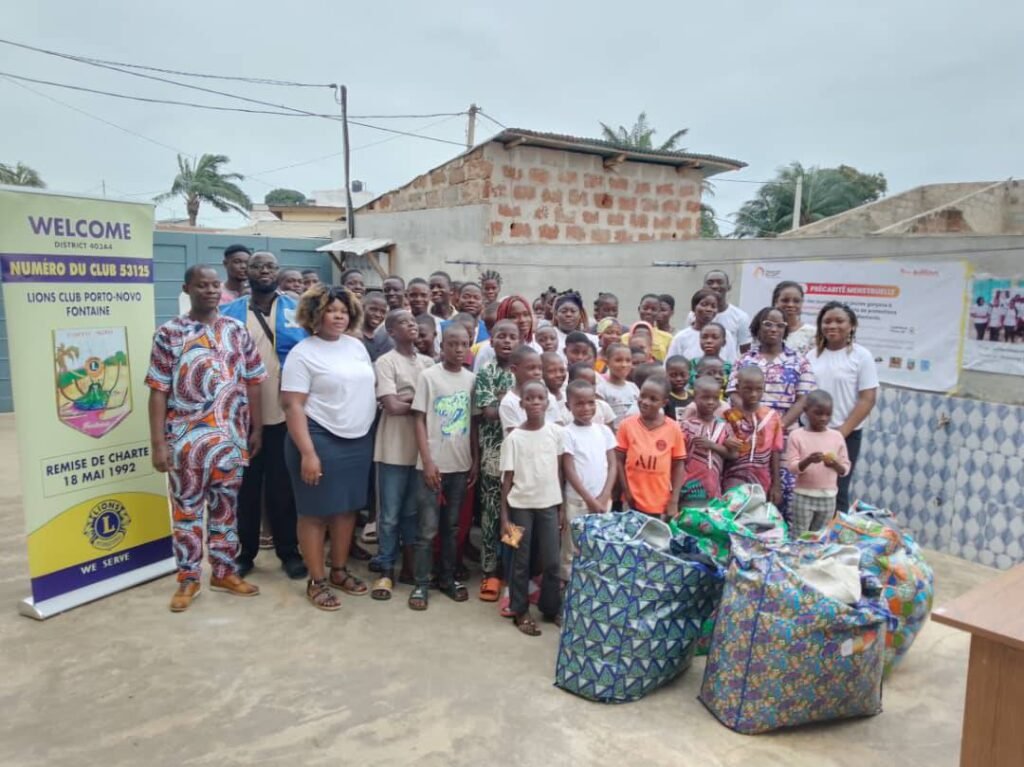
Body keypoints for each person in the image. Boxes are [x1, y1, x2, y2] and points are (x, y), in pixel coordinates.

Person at [146, 264, 265, 612]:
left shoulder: (237, 330)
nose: (211, 290)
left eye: (215, 285)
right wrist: (158, 443)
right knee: (186, 513)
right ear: (188, 288)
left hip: (230, 439)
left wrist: (255, 428)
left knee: (226, 510)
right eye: (202, 285)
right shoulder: (169, 333)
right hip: (185, 442)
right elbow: (157, 391)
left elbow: (254, 380)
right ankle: (188, 578)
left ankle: (224, 571)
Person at [281, 286, 376, 611]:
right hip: (319, 438)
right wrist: (308, 452)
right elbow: (292, 406)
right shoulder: (303, 353)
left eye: (344, 311)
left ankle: (338, 570)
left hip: (357, 439)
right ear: (314, 314)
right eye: (331, 310)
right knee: (314, 513)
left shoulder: (356, 346)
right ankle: (317, 580)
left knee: (346, 509)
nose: (339, 316)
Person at [221, 251, 307, 581]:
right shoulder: (229, 312)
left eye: (270, 266)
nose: (264, 271)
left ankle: (289, 552)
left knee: (283, 489)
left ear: (277, 271)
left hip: (286, 415)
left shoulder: (296, 309)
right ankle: (246, 553)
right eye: (257, 266)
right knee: (246, 489)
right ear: (248, 272)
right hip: (243, 416)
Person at [408, 324, 477, 611]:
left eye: (464, 344)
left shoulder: (472, 380)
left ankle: (447, 579)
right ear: (442, 345)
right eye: (452, 344)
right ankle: (421, 583)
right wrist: (427, 461)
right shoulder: (429, 377)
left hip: (460, 465)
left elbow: (472, 424)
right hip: (433, 464)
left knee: (451, 526)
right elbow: (419, 420)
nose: (458, 349)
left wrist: (474, 459)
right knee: (427, 528)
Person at [371, 309, 435, 600]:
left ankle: (409, 565)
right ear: (392, 332)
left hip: (422, 450)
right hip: (393, 447)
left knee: (412, 512)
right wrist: (417, 400)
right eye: (403, 323)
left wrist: (406, 398)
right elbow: (391, 406)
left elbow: (430, 404)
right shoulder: (385, 362)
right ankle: (386, 568)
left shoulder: (428, 362)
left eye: (414, 322)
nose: (411, 325)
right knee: (389, 514)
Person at [499, 380, 565, 637]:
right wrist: (505, 519)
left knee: (551, 561)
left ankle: (550, 607)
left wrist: (561, 509)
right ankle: (520, 609)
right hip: (518, 509)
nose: (535, 403)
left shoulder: (556, 433)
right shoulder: (514, 438)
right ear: (522, 403)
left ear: (548, 403)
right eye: (530, 399)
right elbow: (506, 482)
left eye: (540, 398)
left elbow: (559, 472)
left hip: (548, 505)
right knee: (519, 560)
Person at [806, 302, 879, 513]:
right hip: (811, 433)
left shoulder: (861, 356)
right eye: (827, 321)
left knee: (837, 489)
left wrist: (840, 433)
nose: (832, 325)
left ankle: (835, 539)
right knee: (809, 487)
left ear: (852, 325)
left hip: (845, 434)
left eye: (839, 321)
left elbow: (867, 399)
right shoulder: (811, 356)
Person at [473, 320, 519, 601]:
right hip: (493, 455)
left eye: (512, 337)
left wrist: (504, 401)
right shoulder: (486, 373)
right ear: (491, 341)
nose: (506, 341)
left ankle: (510, 567)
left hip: (520, 458)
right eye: (501, 336)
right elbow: (489, 413)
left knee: (514, 514)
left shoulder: (525, 373)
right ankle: (491, 570)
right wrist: (511, 401)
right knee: (491, 516)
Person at [560, 380, 616, 580]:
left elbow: (612, 465)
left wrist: (605, 495)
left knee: (598, 545)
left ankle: (591, 588)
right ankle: (569, 588)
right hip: (577, 502)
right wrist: (590, 500)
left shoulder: (604, 431)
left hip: (603, 501)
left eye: (591, 402)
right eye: (579, 404)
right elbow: (569, 469)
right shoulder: (567, 433)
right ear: (568, 407)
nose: (586, 408)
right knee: (572, 549)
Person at [728, 307, 815, 431]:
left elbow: (804, 399)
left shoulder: (800, 362)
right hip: (747, 432)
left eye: (780, 325)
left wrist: (778, 427)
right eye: (768, 324)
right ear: (758, 327)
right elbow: (733, 393)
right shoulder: (743, 361)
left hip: (784, 435)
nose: (774, 329)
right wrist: (754, 421)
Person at [615, 376, 686, 518]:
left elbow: (678, 465)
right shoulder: (627, 425)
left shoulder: (673, 428)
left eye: (653, 399)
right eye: (643, 396)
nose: (645, 402)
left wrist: (674, 500)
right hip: (632, 500)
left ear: (664, 403)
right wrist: (627, 492)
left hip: (659, 502)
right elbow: (618, 461)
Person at [783, 389, 851, 534]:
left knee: (819, 536)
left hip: (828, 497)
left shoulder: (836, 437)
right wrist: (807, 461)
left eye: (828, 414)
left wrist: (835, 464)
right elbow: (792, 467)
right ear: (806, 411)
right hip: (803, 496)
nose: (823, 418)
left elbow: (845, 468)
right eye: (818, 413)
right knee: (800, 535)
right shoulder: (797, 436)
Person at [721, 366, 784, 504]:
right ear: (738, 388)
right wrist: (726, 443)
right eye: (748, 389)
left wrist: (776, 485)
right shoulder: (728, 416)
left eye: (758, 389)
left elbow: (775, 451)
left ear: (764, 388)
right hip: (732, 479)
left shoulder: (772, 417)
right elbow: (720, 444)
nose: (753, 394)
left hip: (762, 481)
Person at [679, 377, 737, 506]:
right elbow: (678, 459)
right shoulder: (686, 426)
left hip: (714, 489)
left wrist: (712, 446)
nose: (710, 402)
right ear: (695, 398)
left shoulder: (724, 426)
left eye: (715, 398)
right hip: (689, 488)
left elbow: (733, 455)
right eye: (705, 398)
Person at [669, 289, 739, 364]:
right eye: (704, 305)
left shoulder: (725, 335)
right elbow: (670, 364)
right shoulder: (681, 337)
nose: (709, 309)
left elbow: (732, 365)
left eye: (713, 306)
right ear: (694, 307)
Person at [499, 346, 562, 429]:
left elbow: (559, 429)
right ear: (514, 369)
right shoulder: (509, 402)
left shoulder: (549, 397)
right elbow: (515, 435)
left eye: (540, 368)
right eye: (531, 368)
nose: (537, 373)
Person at [472, 294, 537, 371]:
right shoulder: (488, 350)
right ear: (503, 318)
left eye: (526, 314)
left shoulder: (535, 347)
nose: (522, 320)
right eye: (514, 316)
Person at [700, 269, 752, 353]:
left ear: (729, 287)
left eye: (720, 282)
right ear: (703, 287)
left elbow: (745, 351)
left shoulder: (741, 317)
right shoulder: (694, 315)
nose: (715, 286)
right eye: (710, 282)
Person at [597, 343, 639, 431]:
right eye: (618, 360)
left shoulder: (634, 387)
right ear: (607, 362)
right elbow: (602, 420)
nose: (624, 365)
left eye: (628, 361)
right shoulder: (601, 390)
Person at [772, 280, 816, 355]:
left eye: (796, 301)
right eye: (785, 300)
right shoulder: (765, 331)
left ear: (802, 303)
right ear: (776, 302)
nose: (790, 305)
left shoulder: (812, 333)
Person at [629, 295, 673, 360]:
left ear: (659, 312)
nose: (649, 312)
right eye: (645, 308)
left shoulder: (667, 338)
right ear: (639, 309)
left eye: (653, 309)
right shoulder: (625, 337)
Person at [360, 291, 394, 362]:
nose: (378, 315)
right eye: (373, 309)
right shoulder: (354, 335)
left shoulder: (386, 339)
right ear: (363, 308)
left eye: (383, 312)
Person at [665, 355, 693, 422]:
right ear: (666, 375)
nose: (678, 379)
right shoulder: (664, 398)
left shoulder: (693, 397)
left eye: (683, 375)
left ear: (689, 375)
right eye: (673, 375)